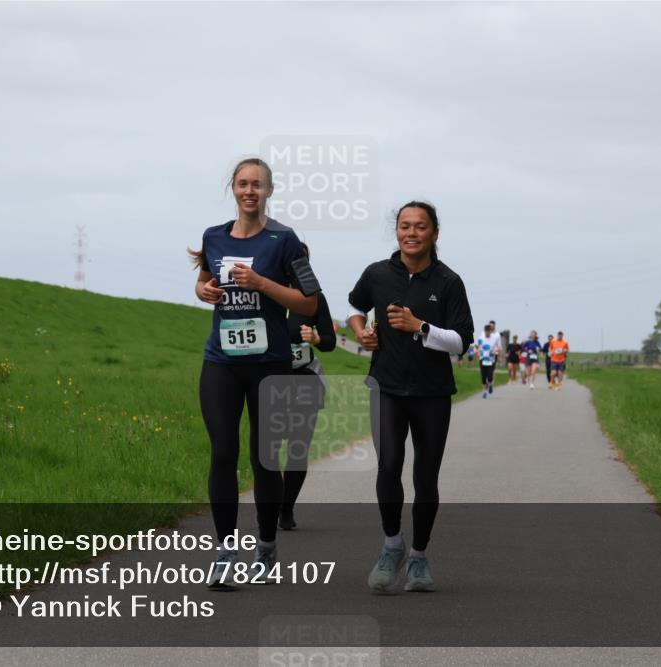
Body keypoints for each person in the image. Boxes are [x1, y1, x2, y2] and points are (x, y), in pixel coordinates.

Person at [189, 157, 319, 588]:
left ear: (269, 191)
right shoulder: (213, 236)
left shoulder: (285, 240)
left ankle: (265, 546)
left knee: (265, 459)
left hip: (270, 364)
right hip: (221, 362)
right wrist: (204, 290)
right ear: (233, 188)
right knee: (223, 452)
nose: (249, 191)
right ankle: (225, 551)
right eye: (243, 184)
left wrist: (263, 284)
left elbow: (309, 303)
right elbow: (205, 280)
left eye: (257, 185)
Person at [347, 201, 474, 593]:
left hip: (432, 393)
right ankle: (391, 546)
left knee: (425, 477)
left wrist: (420, 327)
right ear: (397, 231)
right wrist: (360, 331)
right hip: (385, 387)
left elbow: (460, 343)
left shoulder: (448, 282)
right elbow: (354, 307)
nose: (411, 233)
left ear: (435, 233)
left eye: (420, 227)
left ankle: (418, 557)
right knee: (388, 468)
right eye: (404, 226)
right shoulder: (377, 274)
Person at [280, 243, 336, 531]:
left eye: (302, 261)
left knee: (297, 449)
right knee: (267, 446)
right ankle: (274, 501)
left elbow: (330, 341)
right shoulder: (265, 295)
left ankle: (286, 510)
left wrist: (315, 338)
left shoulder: (316, 299)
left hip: (305, 380)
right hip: (270, 383)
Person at [475, 324, 501, 397]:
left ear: (490, 331)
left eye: (489, 331)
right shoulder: (481, 338)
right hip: (482, 359)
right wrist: (477, 352)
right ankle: (484, 391)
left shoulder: (494, 338)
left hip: (491, 360)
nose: (487, 333)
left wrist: (496, 353)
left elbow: (498, 348)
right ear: (485, 331)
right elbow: (476, 347)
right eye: (486, 331)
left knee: (490, 376)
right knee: (483, 376)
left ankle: (490, 384)